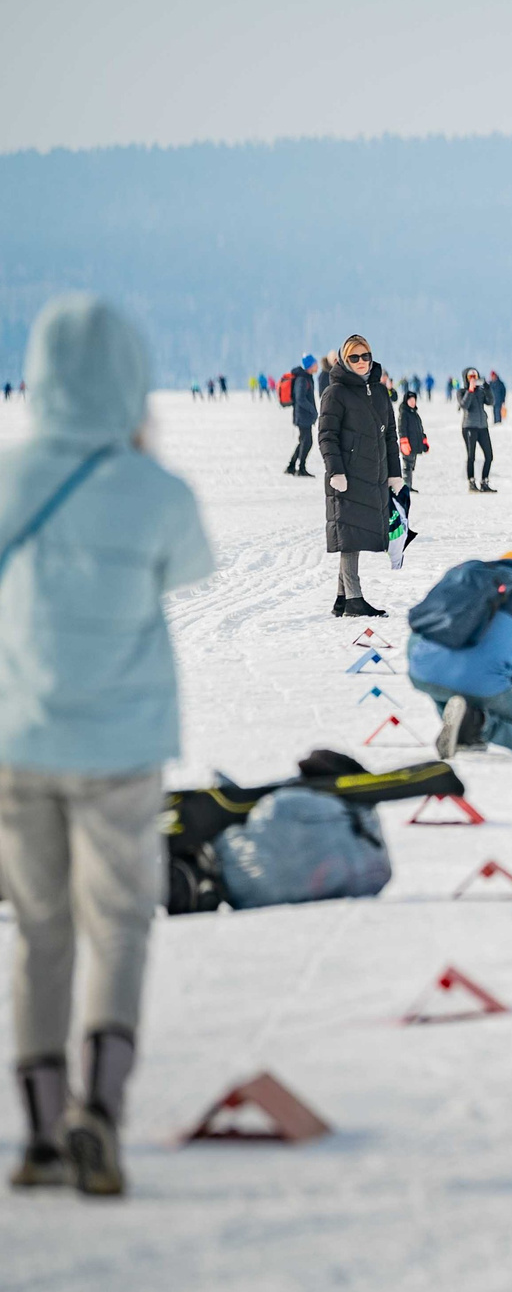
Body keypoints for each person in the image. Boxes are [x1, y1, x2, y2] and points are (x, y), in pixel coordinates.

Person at [0, 295, 214, 1196]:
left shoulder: (10, 476)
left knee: (40, 930)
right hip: (121, 743)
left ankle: (44, 1132)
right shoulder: (154, 491)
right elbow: (195, 566)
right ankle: (102, 1110)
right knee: (118, 922)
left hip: (19, 737)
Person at [413, 551, 512, 758]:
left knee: (443, 680)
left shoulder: (462, 574)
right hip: (482, 683)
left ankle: (463, 729)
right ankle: (478, 724)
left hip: (422, 670)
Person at [317, 334, 399, 617]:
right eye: (355, 357)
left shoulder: (378, 391)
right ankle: (354, 598)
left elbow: (390, 434)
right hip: (348, 476)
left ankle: (342, 598)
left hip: (374, 476)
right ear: (343, 360)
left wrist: (395, 474)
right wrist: (335, 470)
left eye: (366, 356)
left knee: (357, 534)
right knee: (350, 536)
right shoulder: (335, 393)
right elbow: (327, 436)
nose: (362, 362)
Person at [458, 368, 498, 491]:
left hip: (482, 426)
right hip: (469, 427)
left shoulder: (480, 391)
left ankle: (484, 481)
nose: (473, 379)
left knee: (489, 455)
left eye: (475, 376)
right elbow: (464, 405)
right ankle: (471, 481)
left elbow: (491, 402)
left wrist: (487, 389)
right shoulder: (462, 392)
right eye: (470, 376)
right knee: (471, 456)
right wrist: (470, 390)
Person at [284, 353, 318, 476]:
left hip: (304, 416)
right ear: (310, 366)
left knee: (303, 441)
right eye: (315, 364)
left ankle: (291, 466)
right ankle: (301, 468)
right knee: (307, 442)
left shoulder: (306, 377)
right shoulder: (302, 379)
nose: (317, 366)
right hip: (303, 416)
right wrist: (312, 410)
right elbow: (300, 398)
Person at [397, 387, 428, 495]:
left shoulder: (414, 414)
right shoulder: (404, 414)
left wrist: (424, 441)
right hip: (408, 444)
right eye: (410, 400)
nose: (413, 402)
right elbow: (402, 429)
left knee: (411, 466)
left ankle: (408, 485)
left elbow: (420, 429)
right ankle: (406, 486)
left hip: (415, 444)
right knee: (407, 466)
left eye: (414, 400)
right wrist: (404, 442)